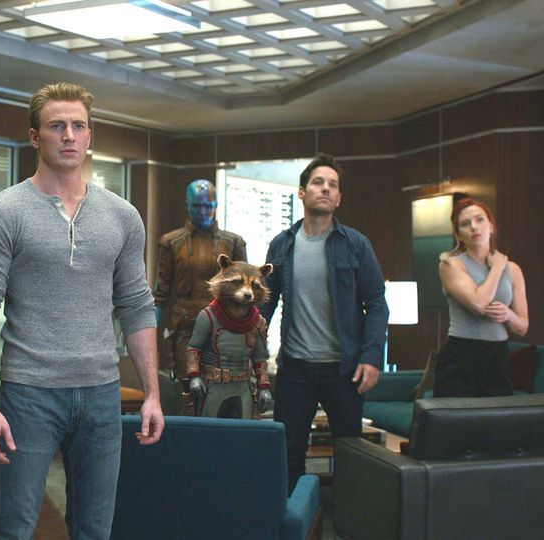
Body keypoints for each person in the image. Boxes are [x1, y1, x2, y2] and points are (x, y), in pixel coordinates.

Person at [0, 82, 165, 540]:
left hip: (102, 394)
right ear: (35, 137)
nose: (69, 135)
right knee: (12, 528)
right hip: (29, 394)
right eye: (57, 126)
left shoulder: (122, 216)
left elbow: (136, 306)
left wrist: (152, 393)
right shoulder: (3, 213)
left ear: (90, 135)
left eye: (78, 126)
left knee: (95, 529)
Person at [261, 153, 388, 494]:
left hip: (344, 370)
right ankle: (296, 517)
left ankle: (346, 517)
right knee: (288, 454)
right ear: (302, 192)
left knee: (350, 452)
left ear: (339, 198)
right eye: (318, 182)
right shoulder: (282, 244)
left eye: (333, 185)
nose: (326, 189)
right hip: (294, 369)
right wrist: (253, 352)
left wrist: (372, 357)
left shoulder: (356, 244)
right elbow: (266, 305)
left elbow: (377, 304)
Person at [434, 197, 528, 397]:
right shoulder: (450, 263)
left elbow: (522, 327)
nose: (474, 227)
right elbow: (478, 304)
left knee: (498, 415)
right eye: (465, 224)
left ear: (491, 227)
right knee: (454, 415)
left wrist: (509, 315)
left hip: (498, 355)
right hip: (462, 354)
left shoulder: (513, 270)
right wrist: (497, 269)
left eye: (479, 220)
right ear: (458, 234)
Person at [154, 179, 247, 379]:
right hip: (186, 328)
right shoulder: (171, 242)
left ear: (215, 206)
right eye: (197, 206)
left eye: (208, 206)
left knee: (224, 385)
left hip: (224, 328)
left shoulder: (233, 243)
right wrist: (150, 334)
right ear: (187, 205)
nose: (203, 211)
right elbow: (160, 295)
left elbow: (246, 295)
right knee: (188, 386)